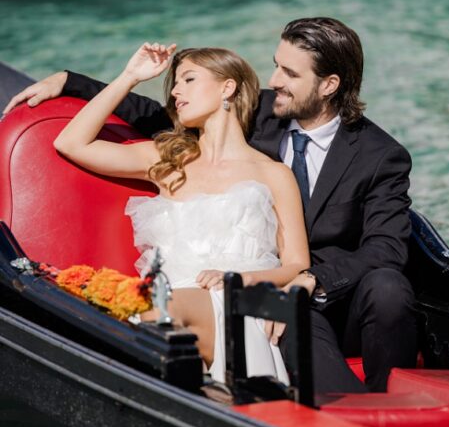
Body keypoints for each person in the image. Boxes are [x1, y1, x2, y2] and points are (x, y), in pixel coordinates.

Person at [4, 17, 413, 395]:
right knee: (156, 307)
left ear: (329, 85)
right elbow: (156, 114)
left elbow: (384, 249)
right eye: (275, 67)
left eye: (289, 73)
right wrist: (79, 81)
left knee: (388, 286)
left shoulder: (378, 156)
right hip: (241, 297)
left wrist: (304, 280)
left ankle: (383, 406)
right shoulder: (261, 113)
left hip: (314, 298)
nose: (274, 81)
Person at [51, 43, 306, 384]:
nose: (174, 92)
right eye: (174, 84)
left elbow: (297, 263)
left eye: (188, 79)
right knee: (152, 309)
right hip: (171, 301)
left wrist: (237, 280)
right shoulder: (167, 159)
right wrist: (131, 76)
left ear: (227, 87)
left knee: (154, 313)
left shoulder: (275, 173)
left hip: (237, 303)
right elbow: (71, 143)